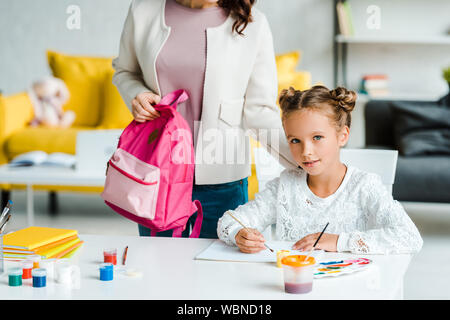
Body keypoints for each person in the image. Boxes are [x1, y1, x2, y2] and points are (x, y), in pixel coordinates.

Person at [112, 0, 296, 238]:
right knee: (158, 267)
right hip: (158, 176)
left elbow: (259, 111)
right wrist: (137, 94)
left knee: (221, 270)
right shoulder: (142, 11)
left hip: (223, 179)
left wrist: (304, 158)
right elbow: (125, 71)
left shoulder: (253, 23)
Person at [217, 85, 424, 254]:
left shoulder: (364, 186)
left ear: (342, 136)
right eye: (295, 140)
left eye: (317, 138)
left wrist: (337, 242)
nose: (306, 151)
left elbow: (410, 237)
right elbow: (228, 221)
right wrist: (238, 234)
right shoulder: (285, 187)